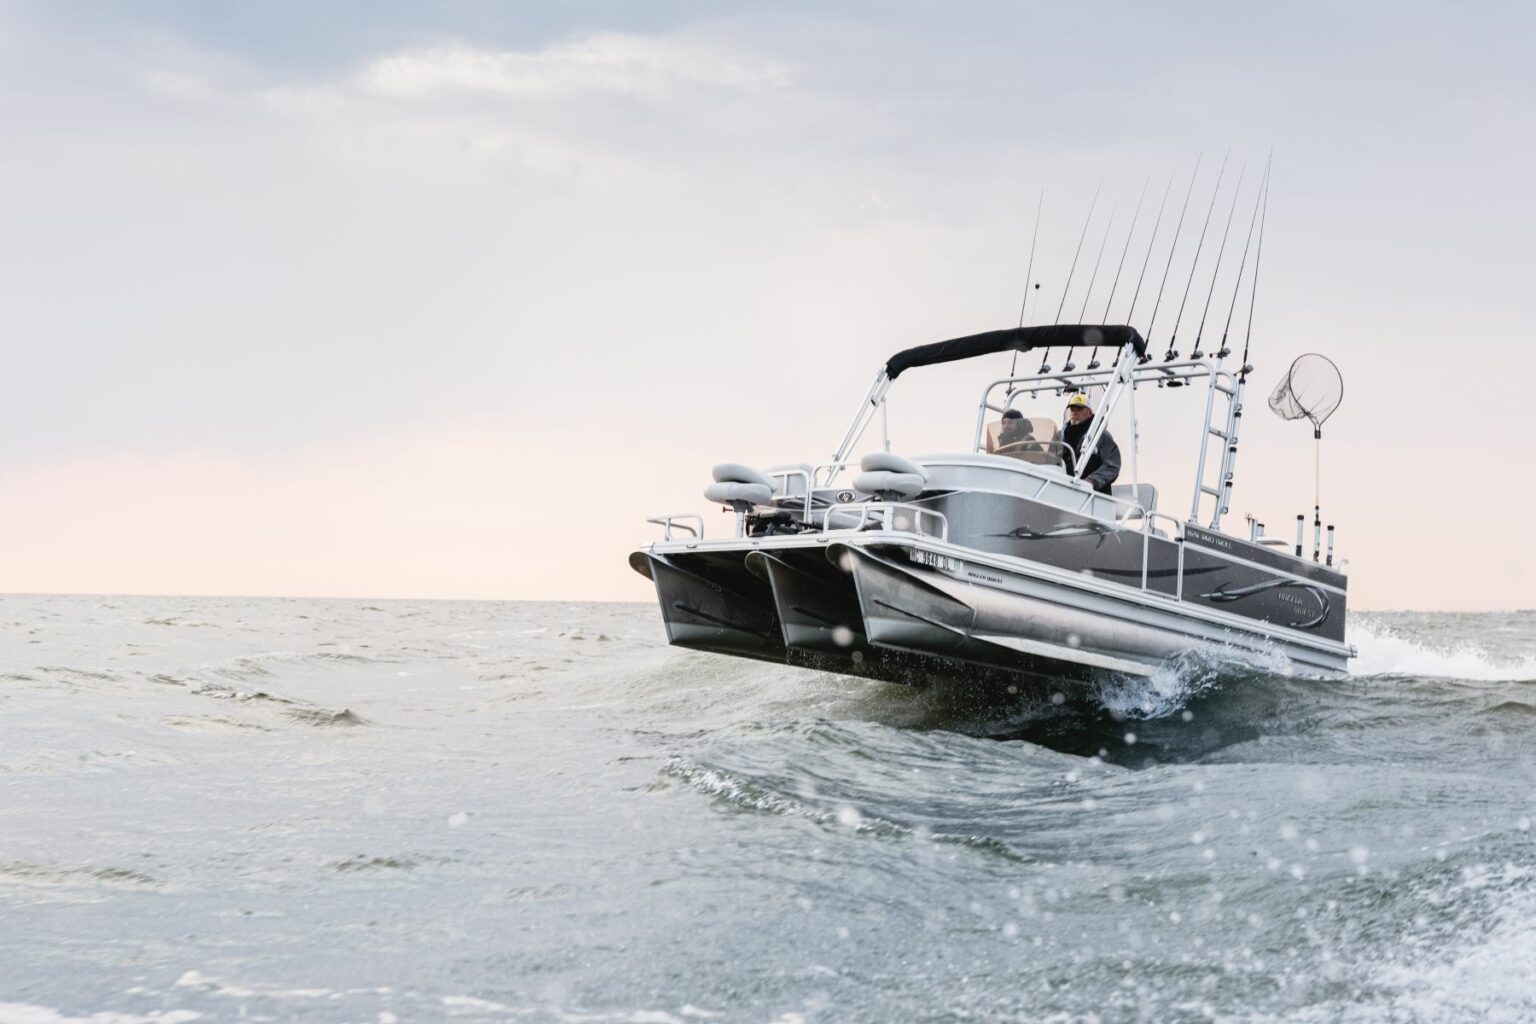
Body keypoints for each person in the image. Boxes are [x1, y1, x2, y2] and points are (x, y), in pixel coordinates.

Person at [1061, 393, 1121, 493]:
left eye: (1079, 409)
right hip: (1065, 491)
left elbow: (1112, 466)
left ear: (1089, 413)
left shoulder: (1101, 436)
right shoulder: (1062, 436)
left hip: (1094, 497)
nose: (1074, 413)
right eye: (1072, 409)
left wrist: (1091, 481)